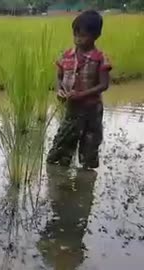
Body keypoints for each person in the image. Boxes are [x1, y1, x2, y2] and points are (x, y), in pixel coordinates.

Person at [47, 10, 112, 169]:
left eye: (82, 36)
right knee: (64, 142)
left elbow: (104, 85)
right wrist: (60, 90)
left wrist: (82, 95)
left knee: (90, 143)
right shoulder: (67, 56)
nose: (77, 39)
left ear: (95, 35)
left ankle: (86, 179)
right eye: (75, 34)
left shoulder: (100, 58)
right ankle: (60, 174)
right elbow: (60, 77)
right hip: (72, 108)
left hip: (92, 109)